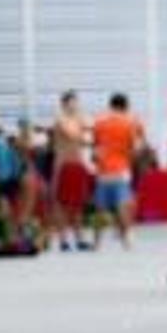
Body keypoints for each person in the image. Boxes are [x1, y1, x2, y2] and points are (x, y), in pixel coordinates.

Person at [90, 93, 145, 250]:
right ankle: (126, 239)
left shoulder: (100, 123)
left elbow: (95, 147)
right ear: (126, 106)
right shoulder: (131, 123)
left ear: (111, 105)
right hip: (122, 169)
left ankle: (96, 241)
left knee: (100, 208)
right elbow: (137, 148)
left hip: (103, 171)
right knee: (123, 204)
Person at [50, 91, 95, 251]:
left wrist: (86, 126)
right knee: (62, 204)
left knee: (78, 204)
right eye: (72, 102)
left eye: (76, 102)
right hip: (64, 165)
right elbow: (74, 135)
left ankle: (79, 238)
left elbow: (90, 136)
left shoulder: (78, 119)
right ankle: (63, 239)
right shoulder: (61, 119)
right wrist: (84, 125)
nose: (75, 105)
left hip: (77, 165)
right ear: (64, 104)